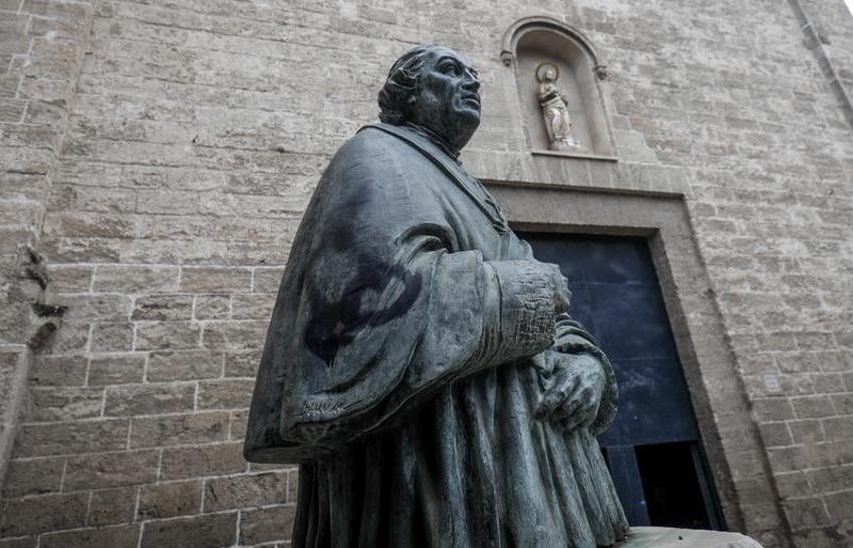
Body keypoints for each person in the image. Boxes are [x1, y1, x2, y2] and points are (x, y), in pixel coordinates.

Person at [244, 44, 629, 547]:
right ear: (407, 92)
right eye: (450, 72)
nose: (471, 82)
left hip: (526, 456)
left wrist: (586, 362)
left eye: (474, 75)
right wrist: (522, 289)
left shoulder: (467, 186)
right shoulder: (374, 156)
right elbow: (362, 302)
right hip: (437, 459)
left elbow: (552, 306)